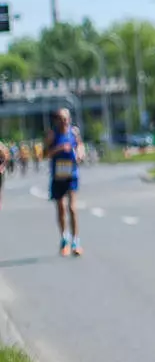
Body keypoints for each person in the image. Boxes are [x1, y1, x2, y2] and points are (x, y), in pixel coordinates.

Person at [44, 109, 84, 256]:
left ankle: (76, 241)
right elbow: (46, 154)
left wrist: (80, 152)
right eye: (61, 118)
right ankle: (64, 238)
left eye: (66, 118)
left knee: (72, 208)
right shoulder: (52, 135)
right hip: (58, 175)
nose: (64, 121)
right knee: (61, 208)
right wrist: (59, 148)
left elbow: (80, 145)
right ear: (56, 120)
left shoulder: (73, 133)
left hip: (71, 174)